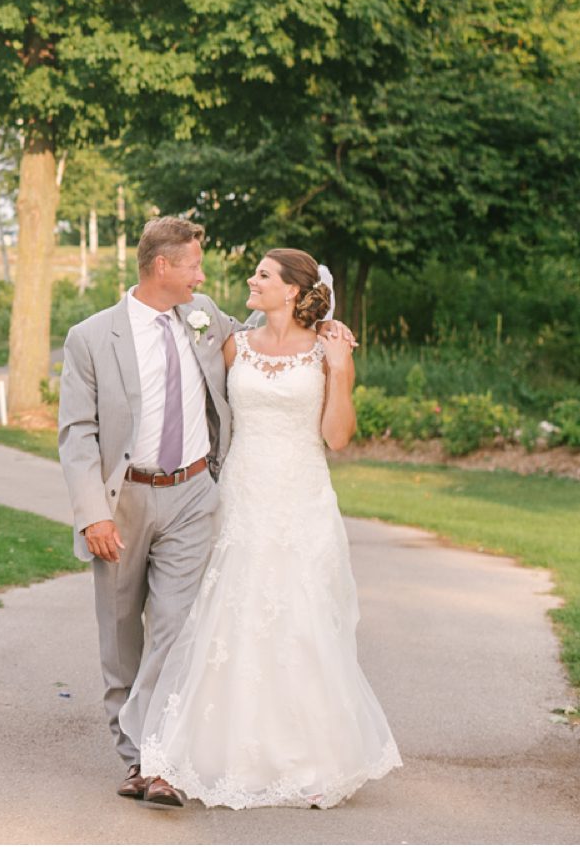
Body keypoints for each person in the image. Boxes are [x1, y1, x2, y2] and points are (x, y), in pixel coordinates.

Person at [56, 218, 357, 804]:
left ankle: (157, 761)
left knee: (178, 628)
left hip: (195, 493)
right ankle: (132, 753)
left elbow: (277, 335)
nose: (203, 275)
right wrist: (93, 513)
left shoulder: (204, 316)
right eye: (193, 265)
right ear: (162, 267)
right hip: (123, 500)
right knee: (120, 634)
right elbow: (76, 433)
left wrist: (324, 326)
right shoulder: (90, 337)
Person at [134, 246, 401, 809]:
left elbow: (337, 438)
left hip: (301, 499)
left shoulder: (326, 350)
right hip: (242, 497)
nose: (251, 281)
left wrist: (341, 370)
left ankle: (310, 760)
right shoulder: (236, 344)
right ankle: (224, 752)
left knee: (303, 619)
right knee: (230, 617)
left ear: (293, 290)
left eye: (262, 275)